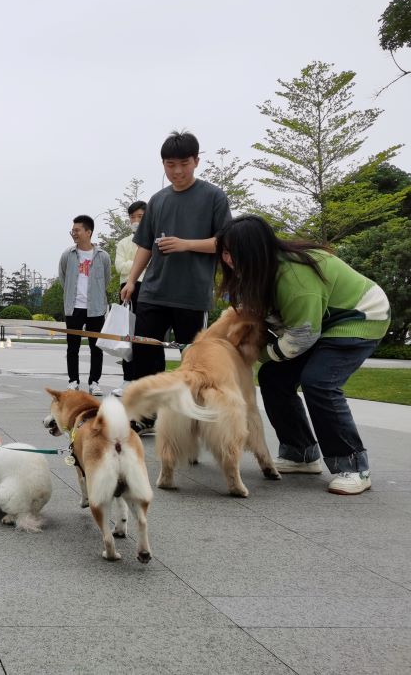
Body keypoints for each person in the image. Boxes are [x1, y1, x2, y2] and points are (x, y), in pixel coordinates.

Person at [217, 214, 390, 496]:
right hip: (319, 324)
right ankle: (301, 454)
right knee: (273, 378)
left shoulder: (294, 277)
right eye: (224, 252)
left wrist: (260, 353)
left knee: (319, 381)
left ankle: (354, 466)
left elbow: (301, 337)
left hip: (360, 318)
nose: (227, 259)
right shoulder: (256, 273)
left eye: (232, 252)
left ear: (255, 251)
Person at [120, 131, 232, 433]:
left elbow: (226, 243)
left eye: (184, 163)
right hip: (154, 291)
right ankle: (146, 416)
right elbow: (145, 245)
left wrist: (186, 244)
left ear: (197, 160)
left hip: (192, 295)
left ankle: (194, 421)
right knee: (144, 354)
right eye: (170, 165)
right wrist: (132, 281)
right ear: (163, 165)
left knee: (194, 362)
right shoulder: (157, 200)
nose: (178, 171)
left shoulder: (214, 197)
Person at [58, 214, 111, 396]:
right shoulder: (68, 255)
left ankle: (94, 382)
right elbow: (63, 278)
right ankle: (73, 381)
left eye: (77, 230)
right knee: (72, 347)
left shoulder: (103, 256)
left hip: (96, 308)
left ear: (88, 232)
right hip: (74, 308)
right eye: (72, 230)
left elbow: (106, 279)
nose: (74, 233)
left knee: (96, 347)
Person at [112, 200, 147, 396]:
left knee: (144, 336)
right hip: (127, 290)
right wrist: (141, 262)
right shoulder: (123, 243)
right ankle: (127, 379)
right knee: (126, 336)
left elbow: (152, 266)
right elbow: (119, 266)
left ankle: (141, 381)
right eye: (132, 217)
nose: (135, 221)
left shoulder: (153, 240)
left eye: (140, 217)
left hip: (148, 290)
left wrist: (133, 263)